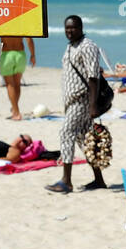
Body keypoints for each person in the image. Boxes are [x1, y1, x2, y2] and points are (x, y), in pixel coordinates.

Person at [47, 16, 107, 193]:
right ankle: (99, 179)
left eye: (72, 28)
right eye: (66, 28)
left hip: (82, 100)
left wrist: (93, 105)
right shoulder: (70, 46)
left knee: (66, 133)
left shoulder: (88, 46)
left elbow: (93, 76)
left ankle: (66, 181)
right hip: (71, 101)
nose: (69, 31)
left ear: (81, 27)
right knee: (83, 140)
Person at [0, 36, 37, 120]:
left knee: (10, 84)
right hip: (20, 55)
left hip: (6, 55)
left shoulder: (2, 24)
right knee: (17, 84)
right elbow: (29, 40)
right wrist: (33, 55)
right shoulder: (21, 23)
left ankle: (16, 112)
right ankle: (14, 108)